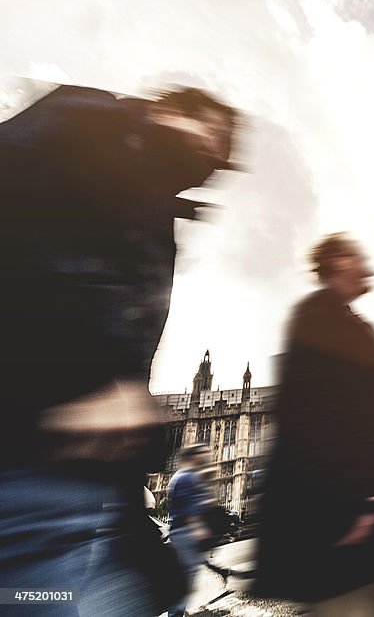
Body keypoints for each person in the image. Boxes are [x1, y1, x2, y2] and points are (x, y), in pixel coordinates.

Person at [0, 84, 237, 616]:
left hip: (84, 489)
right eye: (212, 134)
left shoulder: (153, 209)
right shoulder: (87, 125)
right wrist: (75, 386)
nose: (214, 160)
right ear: (172, 109)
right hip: (25, 471)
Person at [255, 234, 374, 616]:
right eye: (357, 255)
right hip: (350, 529)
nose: (367, 263)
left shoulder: (352, 322)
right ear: (337, 262)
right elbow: (312, 420)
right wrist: (350, 509)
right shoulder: (316, 317)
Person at [168, 444, 216, 617]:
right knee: (185, 579)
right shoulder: (188, 477)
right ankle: (176, 613)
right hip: (186, 533)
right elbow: (189, 508)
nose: (206, 458)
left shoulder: (180, 476)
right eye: (203, 454)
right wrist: (198, 527)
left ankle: (179, 611)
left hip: (181, 532)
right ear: (193, 456)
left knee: (186, 576)